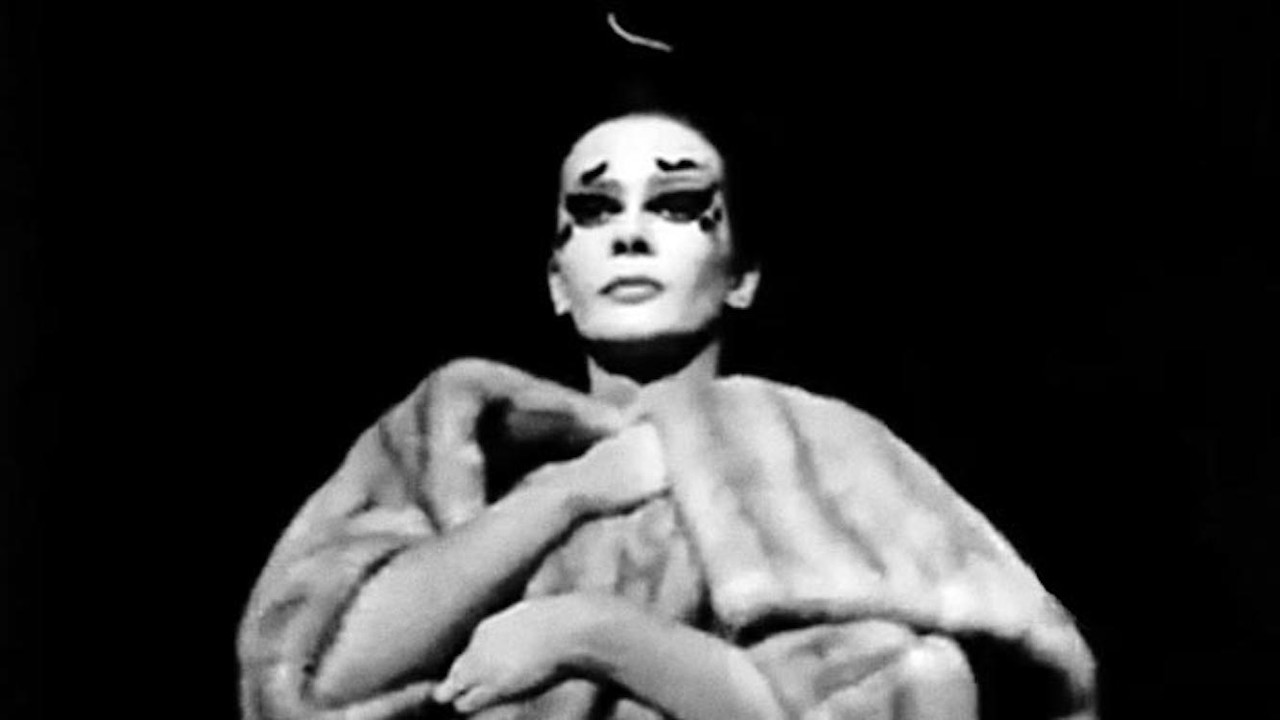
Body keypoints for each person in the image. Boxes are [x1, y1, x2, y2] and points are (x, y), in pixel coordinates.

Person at [237, 27, 1096, 720]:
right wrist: (572, 494)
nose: (630, 234)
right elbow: (314, 685)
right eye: (594, 209)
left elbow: (910, 691)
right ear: (555, 281)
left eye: (678, 205)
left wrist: (593, 634)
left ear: (741, 273)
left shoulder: (814, 457)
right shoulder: (462, 452)